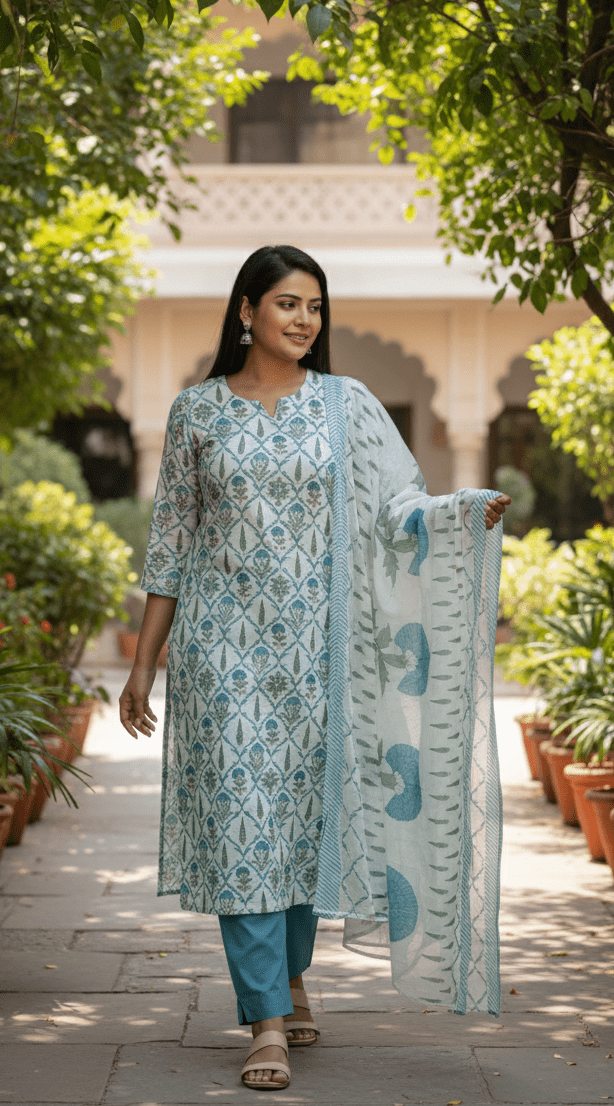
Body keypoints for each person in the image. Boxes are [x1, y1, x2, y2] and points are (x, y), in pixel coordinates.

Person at [119, 244, 510, 1092]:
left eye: (315, 306)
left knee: (298, 828)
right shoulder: (196, 412)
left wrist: (459, 513)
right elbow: (172, 543)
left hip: (321, 658)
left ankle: (290, 974)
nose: (304, 320)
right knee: (243, 826)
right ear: (247, 310)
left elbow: (398, 506)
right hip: (222, 656)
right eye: (288, 303)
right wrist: (144, 663)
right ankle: (265, 1019)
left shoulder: (347, 404)